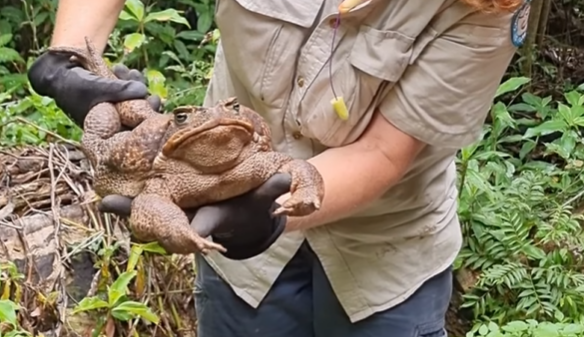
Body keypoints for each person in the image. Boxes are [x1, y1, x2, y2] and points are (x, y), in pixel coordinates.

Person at [28, 0, 527, 335]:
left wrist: (270, 209)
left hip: (384, 252)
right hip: (226, 221)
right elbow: (146, 194)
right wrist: (68, 59)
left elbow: (382, 152)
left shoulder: (488, 6)